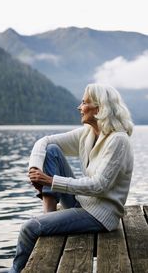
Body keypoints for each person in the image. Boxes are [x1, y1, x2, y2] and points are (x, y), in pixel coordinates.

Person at [9, 83, 134, 273]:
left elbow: (99, 186)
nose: (79, 107)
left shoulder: (118, 140)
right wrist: (35, 169)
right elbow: (45, 141)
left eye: (84, 102)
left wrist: (50, 181)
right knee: (51, 150)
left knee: (29, 228)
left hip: (100, 216)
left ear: (99, 108)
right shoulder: (88, 133)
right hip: (82, 203)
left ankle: (15, 271)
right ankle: (49, 215)